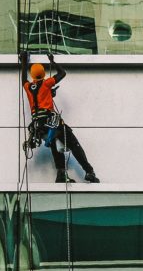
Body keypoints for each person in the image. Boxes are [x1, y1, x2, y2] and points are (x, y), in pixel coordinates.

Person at [20, 51, 99, 184]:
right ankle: (89, 172)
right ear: (43, 74)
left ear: (33, 75)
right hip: (51, 121)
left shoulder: (28, 87)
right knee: (73, 144)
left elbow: (23, 78)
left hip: (38, 126)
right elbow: (62, 73)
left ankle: (61, 174)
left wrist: (24, 61)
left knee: (55, 145)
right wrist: (53, 61)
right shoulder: (46, 83)